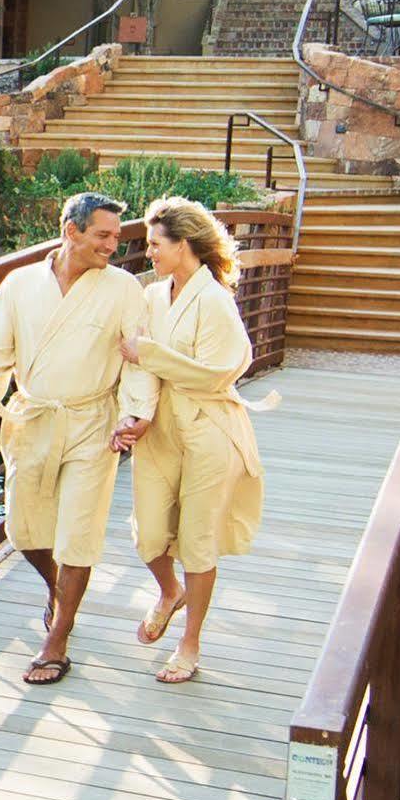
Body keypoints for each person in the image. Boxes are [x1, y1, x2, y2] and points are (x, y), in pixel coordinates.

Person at [0, 191, 156, 686]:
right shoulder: (21, 284)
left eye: (116, 235)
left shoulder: (123, 289)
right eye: (102, 235)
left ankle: (58, 639)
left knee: (78, 533)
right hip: (33, 418)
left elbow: (138, 358)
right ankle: (59, 591)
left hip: (93, 423)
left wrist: (134, 414)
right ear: (71, 231)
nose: (113, 245)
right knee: (23, 529)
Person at [116, 196, 268, 685]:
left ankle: (190, 642)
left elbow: (220, 372)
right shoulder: (155, 296)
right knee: (149, 532)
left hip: (208, 431)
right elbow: (136, 365)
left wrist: (152, 354)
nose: (149, 254)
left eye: (156, 244)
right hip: (160, 430)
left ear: (184, 245)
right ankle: (168, 591)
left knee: (199, 541)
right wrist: (136, 415)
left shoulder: (215, 301)